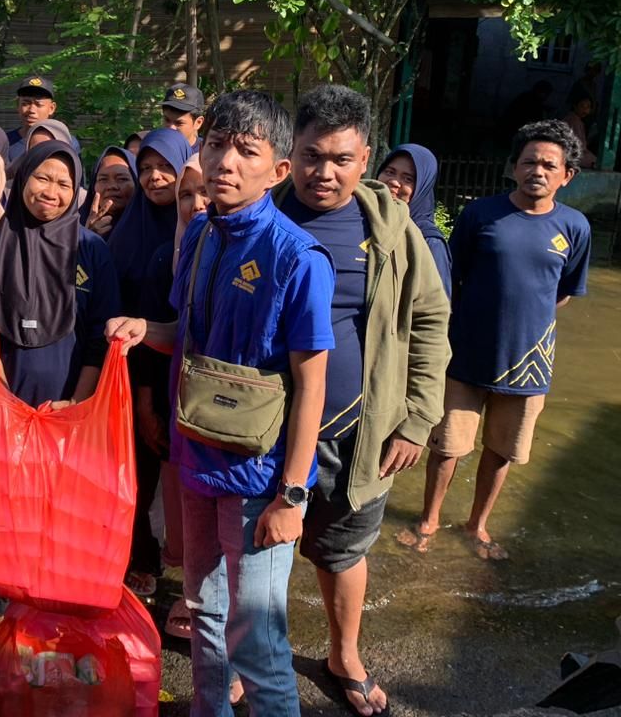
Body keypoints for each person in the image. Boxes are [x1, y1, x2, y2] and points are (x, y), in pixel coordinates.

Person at [108, 90, 336, 717]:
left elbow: (311, 383)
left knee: (257, 641)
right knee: (206, 613)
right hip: (197, 456)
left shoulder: (298, 258)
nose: (227, 163)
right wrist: (143, 329)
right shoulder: (203, 235)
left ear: (278, 170)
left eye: (247, 151)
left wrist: (293, 495)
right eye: (216, 146)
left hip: (260, 479)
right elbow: (189, 335)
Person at [278, 85, 450, 717]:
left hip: (364, 431)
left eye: (342, 159)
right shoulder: (263, 214)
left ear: (366, 157)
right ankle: (257, 658)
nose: (324, 172)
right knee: (259, 549)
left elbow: (432, 319)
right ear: (289, 154)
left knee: (343, 548)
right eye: (311, 155)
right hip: (272, 427)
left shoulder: (392, 228)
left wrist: (417, 418)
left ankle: (343, 653)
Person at [402, 119, 591, 562]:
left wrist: (523, 325)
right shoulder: (480, 215)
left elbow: (562, 293)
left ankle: (477, 525)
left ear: (567, 175)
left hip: (529, 364)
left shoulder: (575, 227)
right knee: (446, 446)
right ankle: (428, 520)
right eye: (529, 162)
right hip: (466, 355)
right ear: (513, 167)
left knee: (502, 451)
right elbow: (454, 278)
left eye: (549, 164)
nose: (537, 171)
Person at [0, 140, 120, 408]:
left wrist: (75, 403)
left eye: (63, 184)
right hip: (0, 408)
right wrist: (6, 404)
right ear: (25, 178)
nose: (51, 192)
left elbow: (101, 335)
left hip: (73, 412)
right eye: (42, 178)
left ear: (75, 192)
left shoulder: (91, 249)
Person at [127, 154, 205, 636]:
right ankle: (192, 591)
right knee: (183, 505)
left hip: (230, 407)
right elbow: (175, 334)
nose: (196, 204)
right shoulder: (168, 256)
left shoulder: (254, 251)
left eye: (204, 192)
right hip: (178, 398)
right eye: (185, 195)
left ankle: (211, 607)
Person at [108, 127, 191, 308]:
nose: (154, 176)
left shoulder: (202, 226)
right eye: (145, 168)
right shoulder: (125, 231)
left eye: (165, 166)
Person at [377, 143, 453, 296]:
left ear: (422, 187)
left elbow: (436, 310)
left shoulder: (429, 242)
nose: (394, 182)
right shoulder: (362, 222)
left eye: (408, 179)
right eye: (390, 172)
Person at [80, 146, 138, 239]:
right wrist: (88, 237)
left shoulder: (150, 227)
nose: (112, 186)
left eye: (122, 179)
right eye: (103, 179)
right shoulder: (74, 229)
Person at [6, 76, 61, 163]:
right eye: (25, 104)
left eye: (39, 104)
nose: (31, 110)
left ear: (51, 108)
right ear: (18, 106)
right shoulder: (5, 142)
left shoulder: (66, 142)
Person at [500, 79, 553, 145]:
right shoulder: (532, 100)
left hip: (511, 128)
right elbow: (535, 117)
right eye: (546, 94)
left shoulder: (528, 97)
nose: (547, 97)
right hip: (512, 130)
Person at [161, 82, 207, 153]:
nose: (171, 127)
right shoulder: (154, 150)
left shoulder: (206, 154)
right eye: (167, 120)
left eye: (179, 123)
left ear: (198, 123)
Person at [562, 95, 598, 169]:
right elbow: (579, 146)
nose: (585, 110)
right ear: (575, 106)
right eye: (582, 106)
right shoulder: (573, 120)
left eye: (588, 107)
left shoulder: (577, 120)